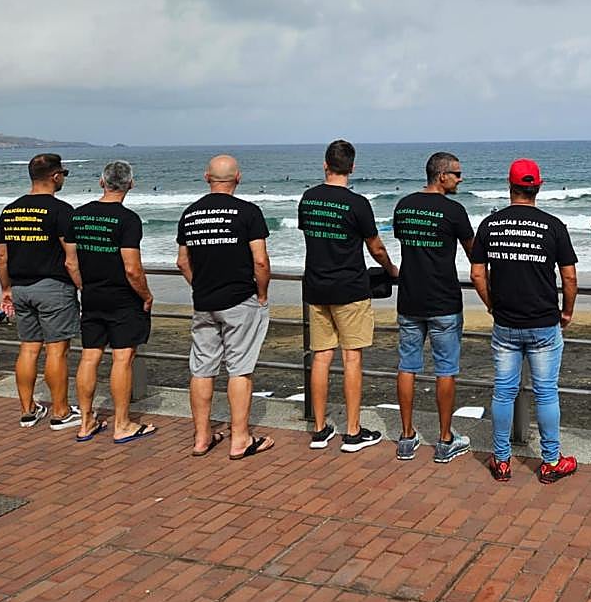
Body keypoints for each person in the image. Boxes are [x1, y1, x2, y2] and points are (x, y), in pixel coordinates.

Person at [470, 159, 578, 484]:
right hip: (545, 322)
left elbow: (477, 273)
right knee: (546, 393)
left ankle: (501, 461)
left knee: (504, 392)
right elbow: (569, 277)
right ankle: (551, 462)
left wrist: (492, 305)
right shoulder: (553, 225)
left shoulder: (490, 225)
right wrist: (568, 311)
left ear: (510, 186)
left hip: (505, 322)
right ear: (539, 187)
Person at [298, 139, 397, 452]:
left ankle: (319, 429)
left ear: (325, 165)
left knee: (321, 357)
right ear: (352, 167)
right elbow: (375, 246)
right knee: (352, 357)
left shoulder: (308, 199)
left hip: (316, 287)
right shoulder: (357, 204)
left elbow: (312, 237)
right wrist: (391, 268)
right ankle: (352, 432)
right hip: (350, 288)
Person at [177, 155, 274, 459]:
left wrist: (199, 285)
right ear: (238, 178)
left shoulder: (191, 213)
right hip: (240, 300)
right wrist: (262, 293)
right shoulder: (248, 212)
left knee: (202, 370)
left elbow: (182, 261)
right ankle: (240, 439)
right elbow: (260, 260)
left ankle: (202, 437)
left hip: (204, 301)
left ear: (207, 177)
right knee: (240, 370)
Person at [392, 151, 475, 463]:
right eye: (456, 173)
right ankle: (444, 439)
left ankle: (406, 435)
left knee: (407, 366)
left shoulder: (403, 206)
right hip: (443, 300)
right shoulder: (453, 211)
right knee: (446, 369)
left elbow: (404, 241)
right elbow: (473, 251)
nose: (460, 178)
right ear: (441, 176)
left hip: (410, 298)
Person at [69, 161, 157, 443]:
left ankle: (85, 422)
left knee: (89, 356)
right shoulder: (128, 219)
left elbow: (71, 262)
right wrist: (146, 295)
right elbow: (132, 268)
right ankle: (122, 424)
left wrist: (85, 286)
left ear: (101, 182)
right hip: (122, 298)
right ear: (131, 184)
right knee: (122, 358)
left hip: (92, 295)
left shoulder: (78, 216)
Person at [0, 153, 82, 430]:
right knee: (57, 350)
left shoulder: (10, 210)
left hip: (20, 287)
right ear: (55, 176)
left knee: (29, 349)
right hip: (54, 287)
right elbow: (71, 258)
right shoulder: (61, 210)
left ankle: (28, 409)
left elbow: (1, 256)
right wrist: (82, 285)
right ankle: (60, 411)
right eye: (63, 175)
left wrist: (6, 288)